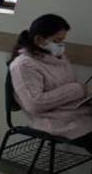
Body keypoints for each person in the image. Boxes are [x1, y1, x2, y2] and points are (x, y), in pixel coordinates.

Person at [9, 14, 92, 152]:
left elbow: (70, 91)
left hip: (74, 113)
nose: (61, 45)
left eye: (63, 41)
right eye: (57, 40)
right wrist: (76, 90)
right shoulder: (24, 65)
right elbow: (34, 104)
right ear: (39, 39)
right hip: (52, 121)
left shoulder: (59, 58)